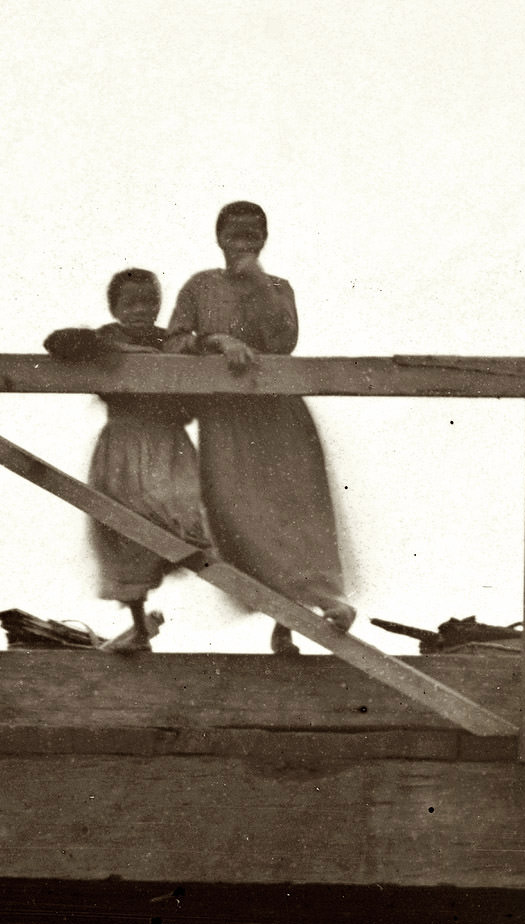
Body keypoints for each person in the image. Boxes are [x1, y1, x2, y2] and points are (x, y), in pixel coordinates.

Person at [165, 201, 356, 655]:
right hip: (226, 421)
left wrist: (255, 280)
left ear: (265, 237)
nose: (244, 238)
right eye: (235, 231)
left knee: (292, 513)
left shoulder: (277, 287)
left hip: (278, 417)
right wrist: (217, 341)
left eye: (254, 231)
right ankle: (282, 615)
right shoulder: (200, 286)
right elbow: (174, 340)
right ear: (219, 236)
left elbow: (284, 340)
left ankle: (311, 611)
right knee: (236, 514)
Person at [44, 268, 208, 652]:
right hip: (123, 441)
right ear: (115, 307)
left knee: (177, 516)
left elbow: (195, 390)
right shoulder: (107, 338)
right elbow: (56, 343)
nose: (140, 310)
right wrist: (95, 347)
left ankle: (191, 567)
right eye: (130, 302)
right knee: (123, 531)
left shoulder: (172, 341)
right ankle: (138, 626)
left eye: (149, 301)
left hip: (167, 440)